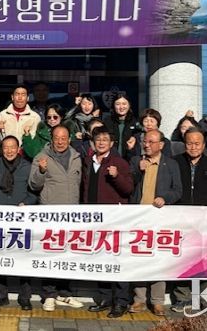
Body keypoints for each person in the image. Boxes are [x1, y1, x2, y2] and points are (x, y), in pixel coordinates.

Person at [0, 136, 38, 310]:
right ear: (1, 149)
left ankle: (24, 297)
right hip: (0, 218)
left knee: (23, 257)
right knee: (0, 257)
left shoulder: (27, 166)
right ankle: (1, 295)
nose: (9, 151)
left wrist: (26, 203)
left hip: (21, 218)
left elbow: (34, 191)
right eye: (6, 147)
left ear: (18, 149)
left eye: (12, 147)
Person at [170, 128, 207, 312]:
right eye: (189, 143)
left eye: (197, 143)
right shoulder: (175, 162)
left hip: (206, 220)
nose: (193, 147)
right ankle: (182, 297)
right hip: (181, 218)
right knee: (183, 259)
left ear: (203, 145)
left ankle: (204, 295)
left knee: (206, 259)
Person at [28, 125, 84, 311]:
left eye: (64, 138)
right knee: (50, 254)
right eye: (57, 138)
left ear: (69, 139)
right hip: (50, 216)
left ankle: (65, 293)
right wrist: (41, 171)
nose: (60, 142)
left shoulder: (76, 157)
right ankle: (49, 295)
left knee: (68, 255)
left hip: (71, 216)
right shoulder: (41, 157)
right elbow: (33, 185)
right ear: (51, 139)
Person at [81, 127, 133, 318]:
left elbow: (128, 189)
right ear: (93, 143)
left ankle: (121, 301)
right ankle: (105, 298)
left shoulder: (119, 163)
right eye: (98, 139)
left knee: (117, 259)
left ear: (112, 143)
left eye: (105, 139)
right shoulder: (88, 161)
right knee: (100, 258)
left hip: (114, 219)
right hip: (94, 219)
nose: (101, 142)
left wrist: (116, 176)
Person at [129, 129, 182, 317]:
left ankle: (158, 301)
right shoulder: (136, 161)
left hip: (160, 219)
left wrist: (165, 198)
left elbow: (178, 190)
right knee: (139, 259)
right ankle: (139, 299)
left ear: (161, 144)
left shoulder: (171, 164)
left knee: (159, 259)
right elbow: (128, 186)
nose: (147, 145)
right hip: (139, 218)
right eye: (145, 141)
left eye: (151, 142)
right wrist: (138, 170)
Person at [102, 92, 138, 157]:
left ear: (129, 105)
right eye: (118, 104)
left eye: (124, 104)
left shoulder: (135, 122)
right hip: (110, 158)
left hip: (129, 158)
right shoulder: (107, 121)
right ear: (113, 105)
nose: (121, 107)